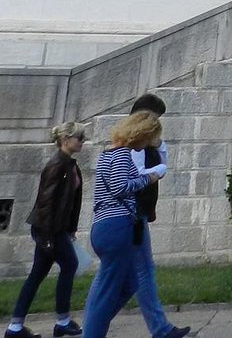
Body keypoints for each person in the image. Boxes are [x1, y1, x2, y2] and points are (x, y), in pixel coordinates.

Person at [80, 111, 168, 338]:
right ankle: (93, 329)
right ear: (140, 135)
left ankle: (94, 323)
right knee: (109, 289)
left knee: (129, 282)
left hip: (109, 225)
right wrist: (150, 177)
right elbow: (120, 187)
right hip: (117, 225)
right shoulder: (121, 154)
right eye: (148, 138)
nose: (148, 144)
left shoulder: (109, 153)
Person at [6, 121, 87, 338]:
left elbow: (71, 202)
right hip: (48, 229)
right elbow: (46, 203)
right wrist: (49, 237)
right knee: (70, 265)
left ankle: (15, 327)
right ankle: (62, 321)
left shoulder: (71, 165)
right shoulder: (56, 165)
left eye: (83, 138)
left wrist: (71, 229)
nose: (82, 141)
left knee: (37, 274)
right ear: (65, 140)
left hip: (57, 229)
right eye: (79, 137)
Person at [124, 95, 188, 338]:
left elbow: (162, 161)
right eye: (153, 119)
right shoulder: (135, 147)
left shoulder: (146, 145)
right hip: (131, 216)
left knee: (127, 277)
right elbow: (137, 177)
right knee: (139, 272)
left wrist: (159, 144)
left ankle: (160, 328)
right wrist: (157, 171)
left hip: (138, 214)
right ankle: (160, 329)